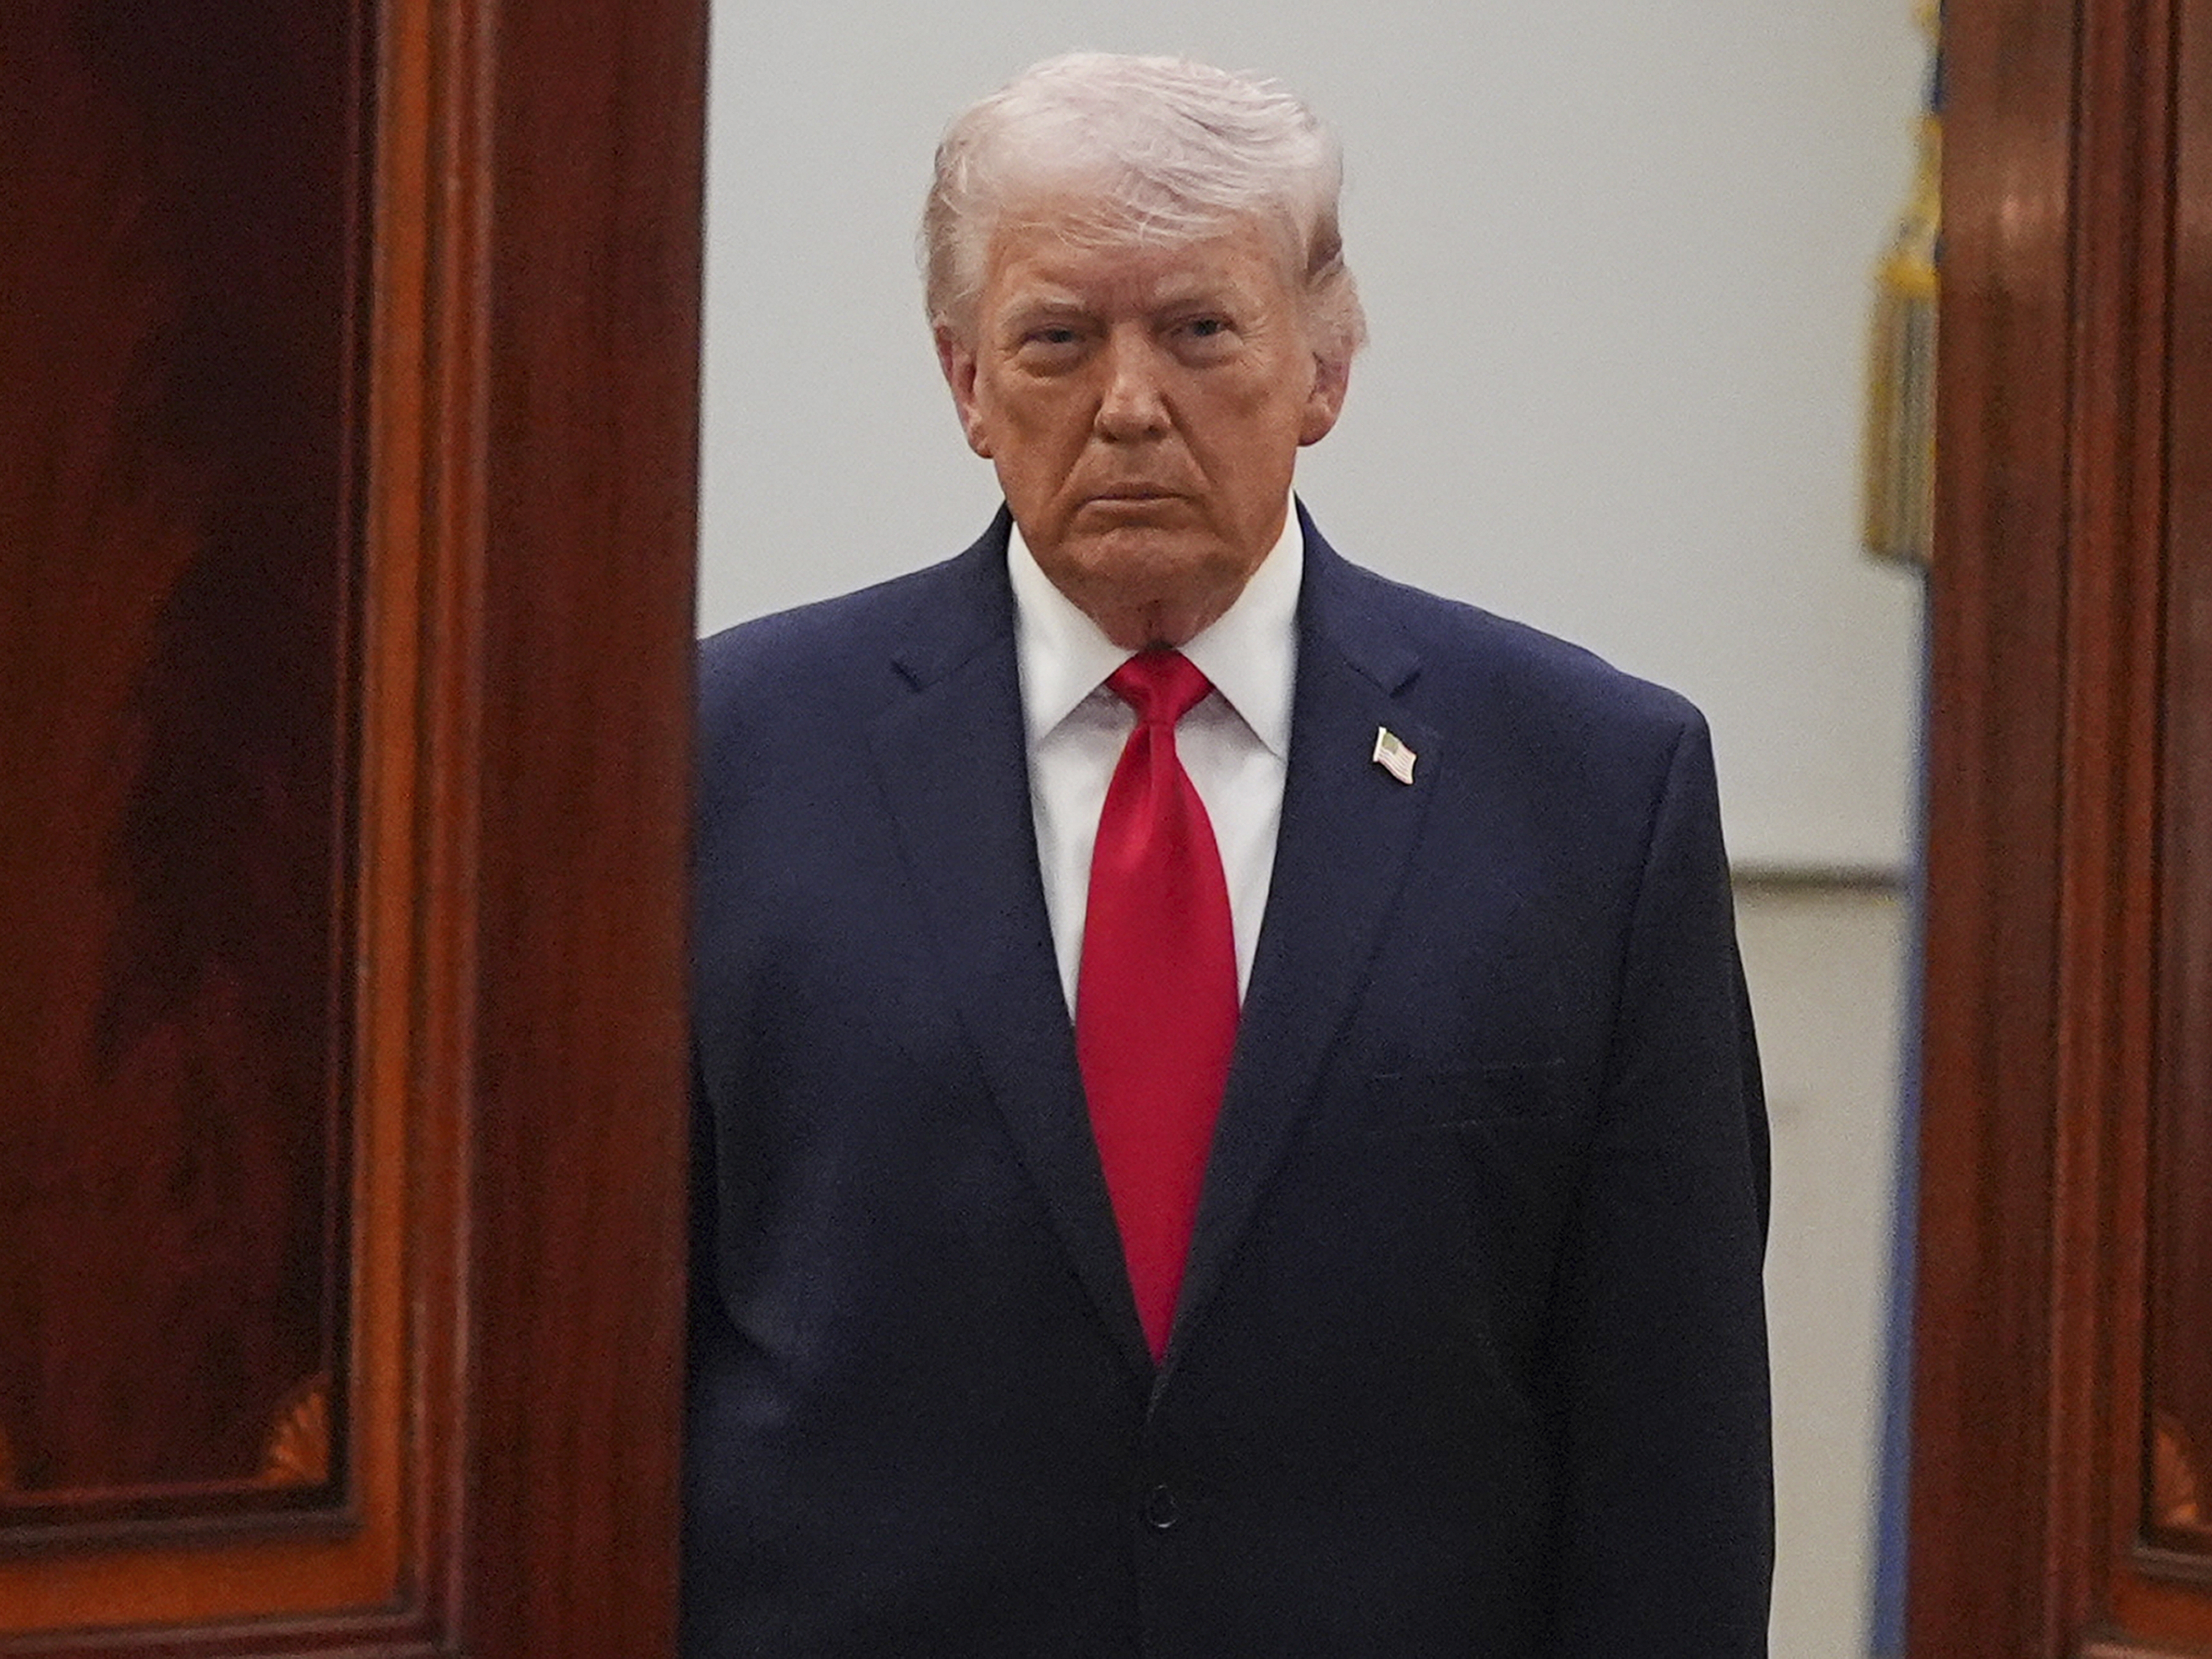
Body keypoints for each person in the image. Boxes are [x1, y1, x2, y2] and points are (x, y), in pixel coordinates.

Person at [685, 52, 1772, 1658]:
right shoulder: (720, 762)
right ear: (966, 383)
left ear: (1323, 368)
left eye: (1198, 331)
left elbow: (1670, 1451)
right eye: (1058, 340)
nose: (1129, 403)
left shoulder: (1594, 789)